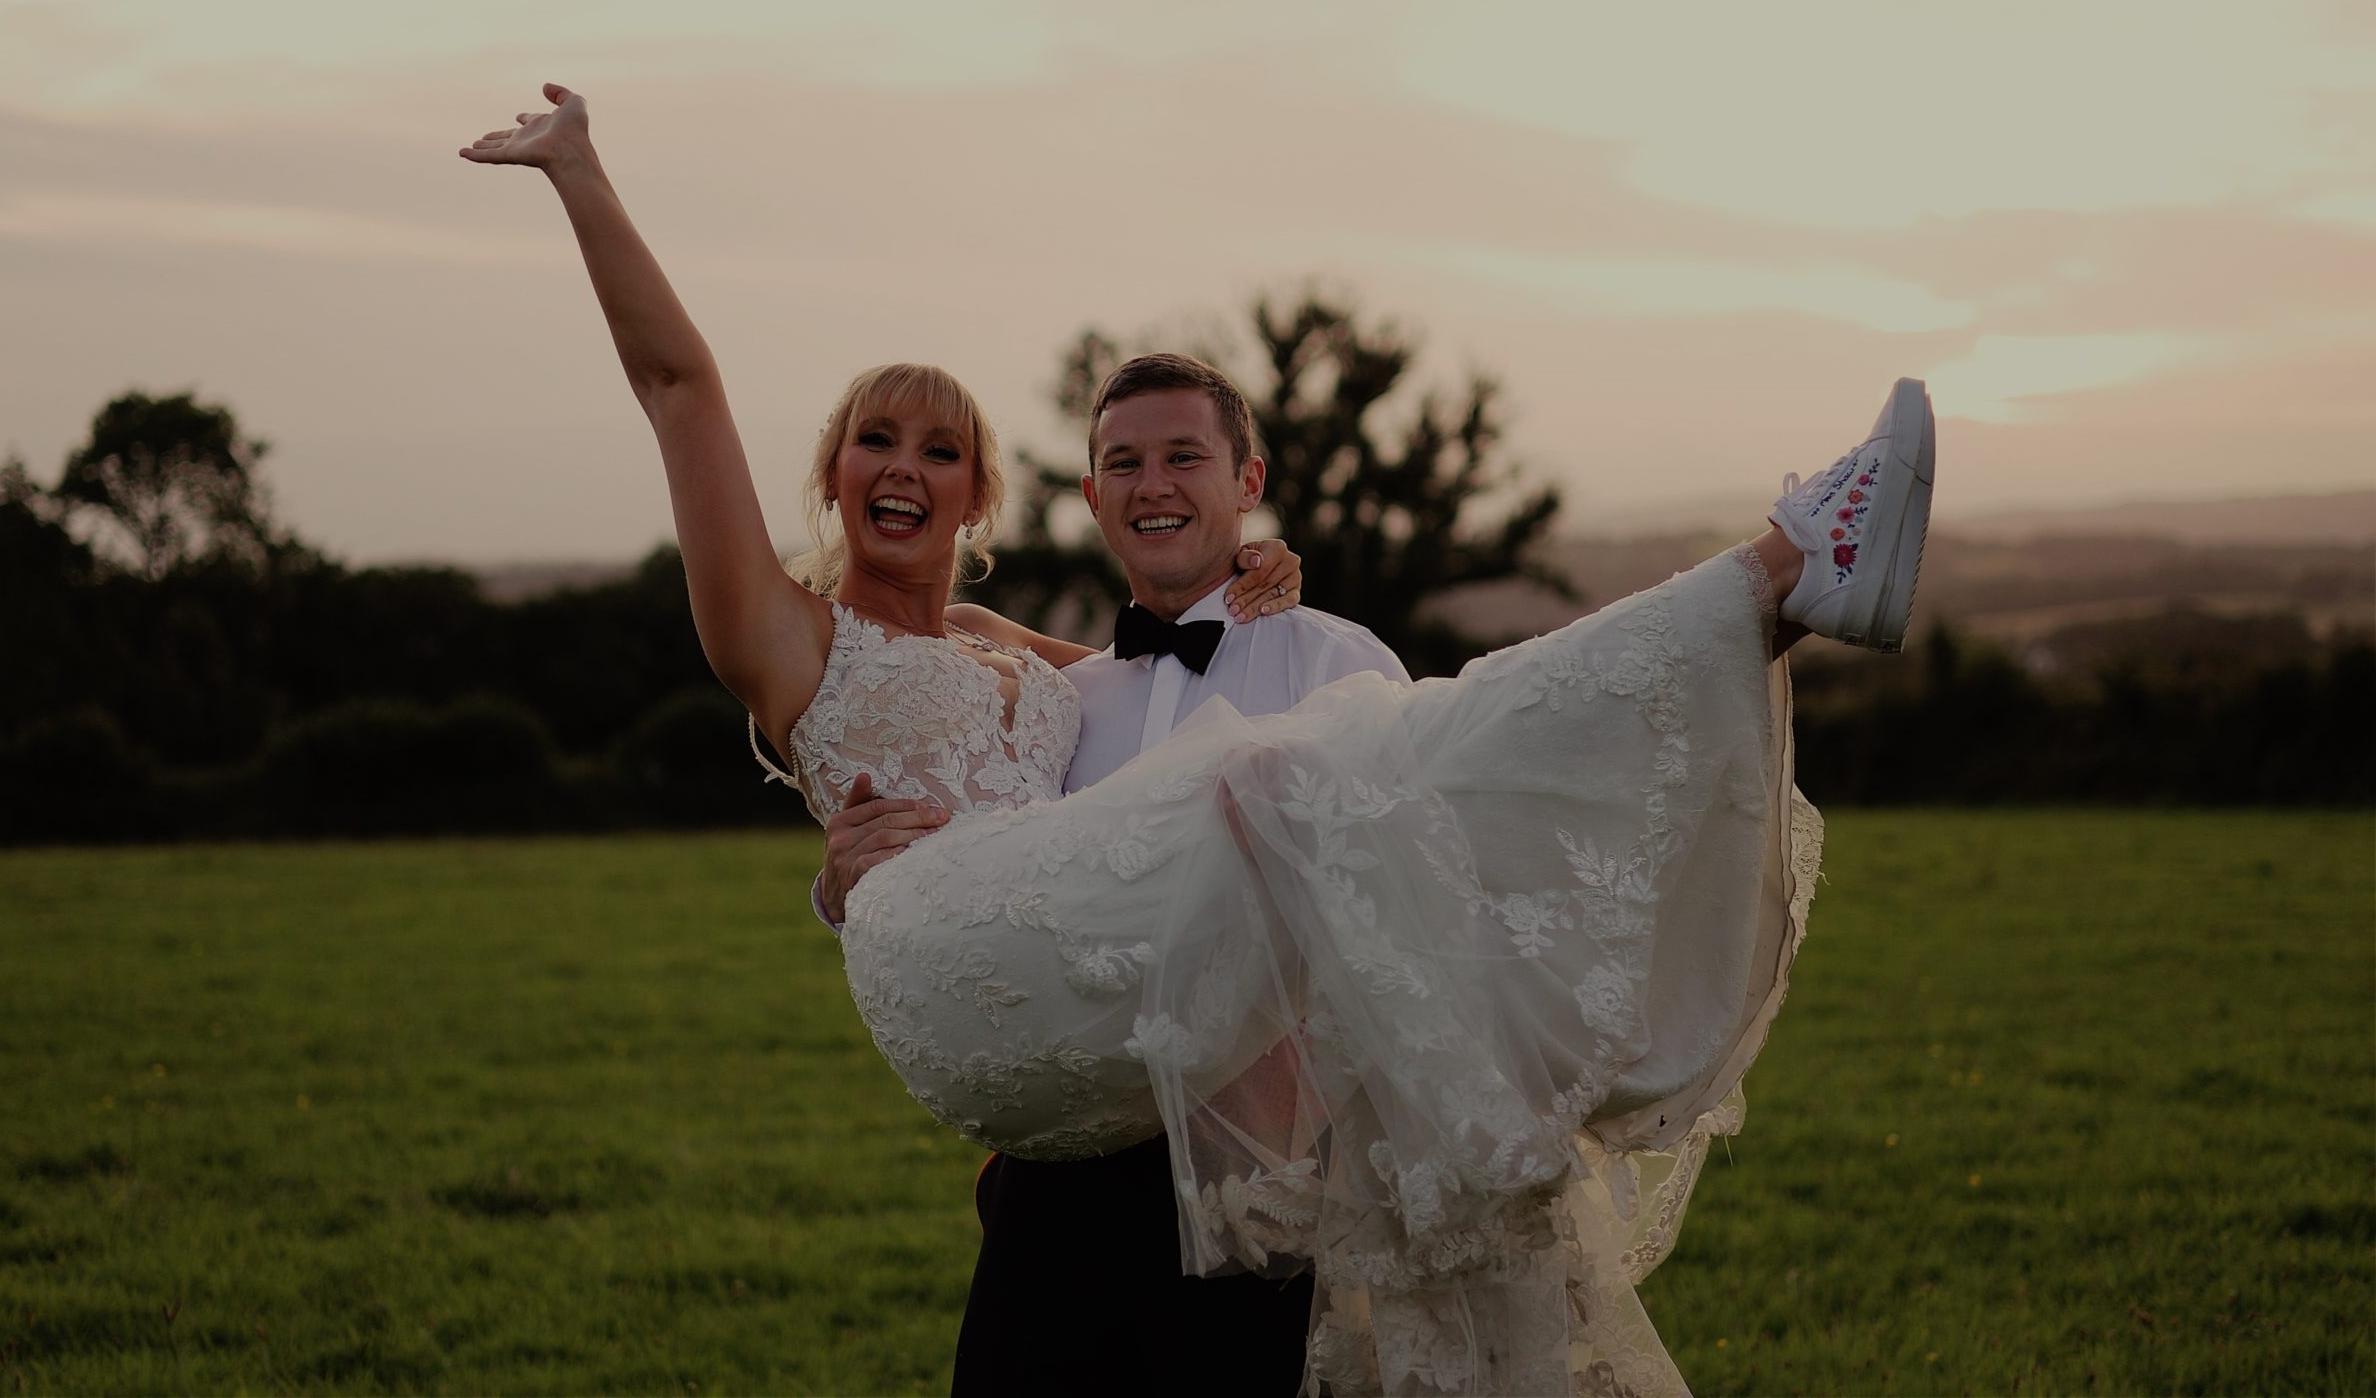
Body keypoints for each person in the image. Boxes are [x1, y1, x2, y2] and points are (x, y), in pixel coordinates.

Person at [462, 86, 1932, 1398]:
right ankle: (1772, 575)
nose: (903, 466)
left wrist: (1260, 582)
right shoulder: (786, 636)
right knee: (1298, 772)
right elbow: (679, 387)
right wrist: (580, 170)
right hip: (980, 1012)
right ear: (835, 475)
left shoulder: (1049, 668)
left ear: (982, 502)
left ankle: (1762, 606)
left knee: (1348, 755)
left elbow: (1160, 677)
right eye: (875, 440)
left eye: (940, 447)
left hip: (1197, 1144)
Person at [813, 351, 1409, 1398]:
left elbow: (1408, 911)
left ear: (1248, 483)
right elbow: (977, 872)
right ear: (1093, 495)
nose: (1155, 485)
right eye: (1124, 464)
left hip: (1258, 1192)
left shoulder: (1337, 665)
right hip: (1056, 1193)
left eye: (1186, 457)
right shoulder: (1068, 701)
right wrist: (841, 887)